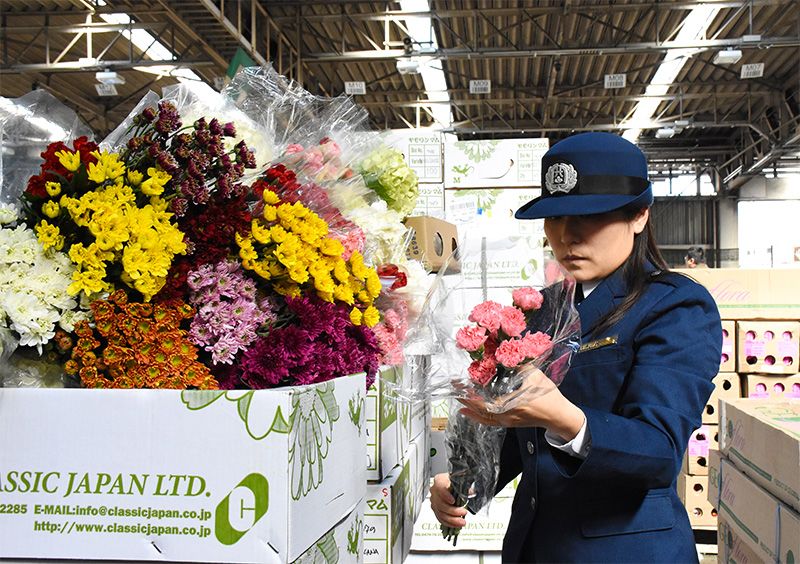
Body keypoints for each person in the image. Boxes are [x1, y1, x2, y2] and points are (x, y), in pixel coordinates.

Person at [429, 132, 722, 563]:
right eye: (556, 218)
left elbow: (659, 451)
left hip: (624, 550)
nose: (568, 236)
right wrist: (467, 480)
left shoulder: (675, 306)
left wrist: (566, 418)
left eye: (591, 215)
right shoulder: (544, 308)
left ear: (639, 214)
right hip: (535, 544)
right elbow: (524, 437)